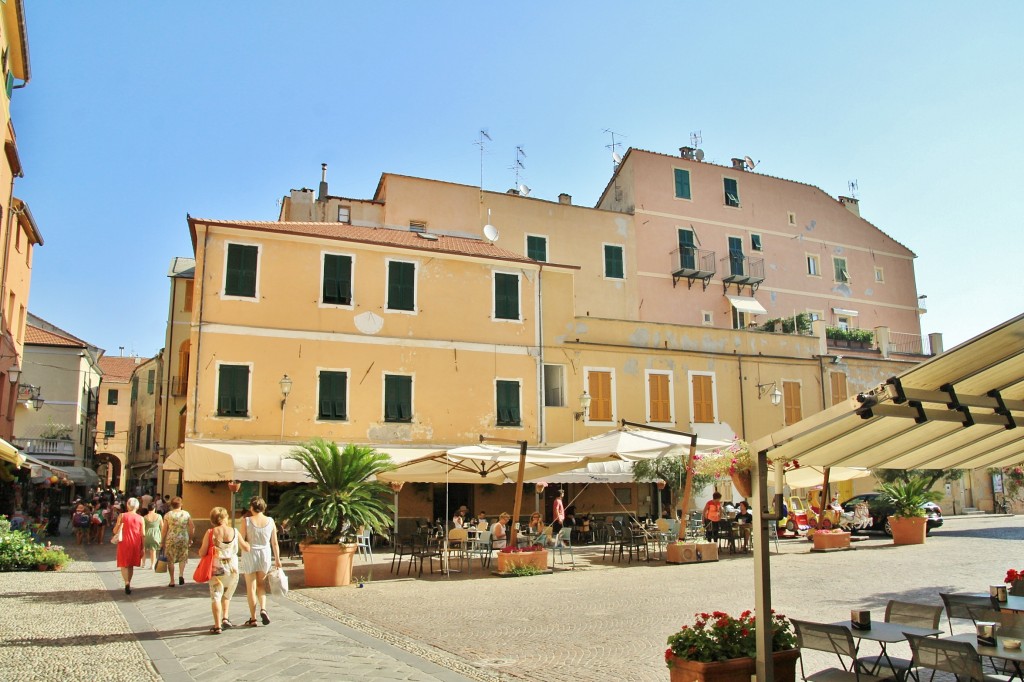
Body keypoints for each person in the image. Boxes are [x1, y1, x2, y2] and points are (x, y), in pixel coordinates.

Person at [199, 506, 249, 634]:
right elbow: (245, 547)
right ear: (225, 517)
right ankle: (225, 618)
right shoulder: (234, 531)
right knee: (227, 595)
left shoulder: (210, 532)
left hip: (216, 568)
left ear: (213, 519)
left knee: (216, 596)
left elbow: (202, 552)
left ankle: (217, 626)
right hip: (232, 568)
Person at [238, 496, 281, 627]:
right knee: (261, 586)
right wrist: (277, 560)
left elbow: (241, 539)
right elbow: (274, 542)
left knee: (251, 588)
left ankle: (253, 618)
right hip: (265, 554)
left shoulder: (246, 521)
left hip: (250, 554)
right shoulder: (270, 521)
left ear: (251, 507)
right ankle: (263, 608)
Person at [160, 497, 195, 587]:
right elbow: (192, 527)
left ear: (172, 505)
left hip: (171, 538)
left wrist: (162, 541)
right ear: (181, 504)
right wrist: (190, 538)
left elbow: (164, 530)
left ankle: (172, 580)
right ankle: (181, 575)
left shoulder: (168, 515)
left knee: (170, 560)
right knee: (182, 557)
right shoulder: (186, 514)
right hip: (183, 538)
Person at [112, 497, 144, 595]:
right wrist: (142, 547)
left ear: (127, 505)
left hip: (124, 542)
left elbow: (115, 530)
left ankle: (126, 582)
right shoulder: (141, 518)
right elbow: (143, 534)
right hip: (135, 542)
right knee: (131, 564)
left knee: (124, 563)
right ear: (137, 506)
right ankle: (129, 582)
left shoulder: (122, 516)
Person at [142, 503, 163, 569]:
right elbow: (162, 527)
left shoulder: (145, 517)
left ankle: (143, 563)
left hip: (147, 534)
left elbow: (143, 527)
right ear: (154, 508)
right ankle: (152, 565)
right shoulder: (159, 516)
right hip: (156, 535)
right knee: (153, 550)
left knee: (144, 549)